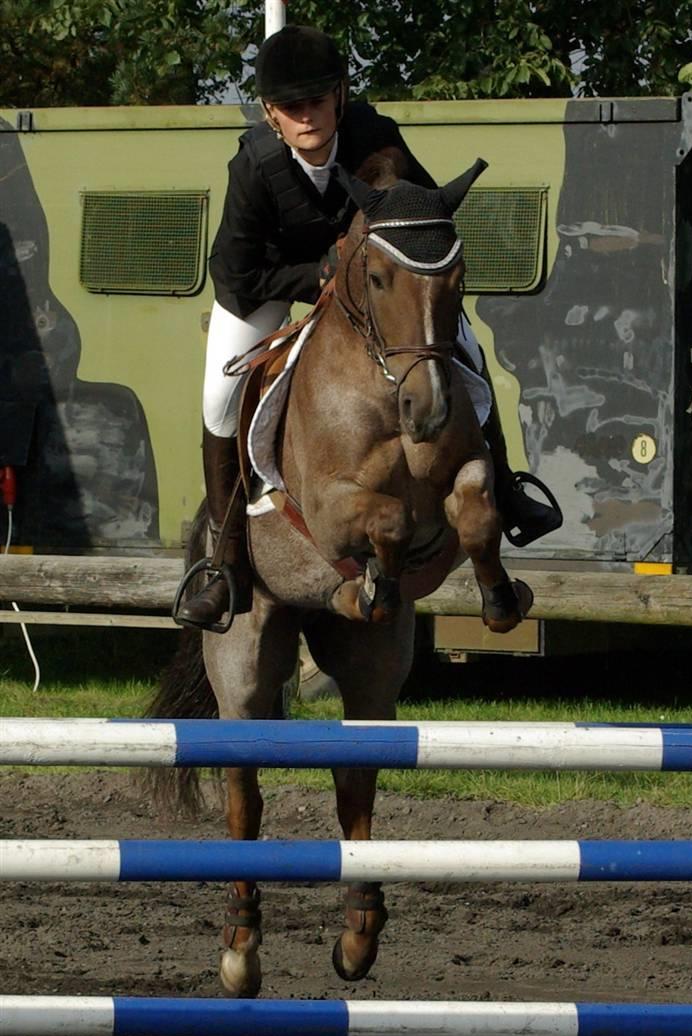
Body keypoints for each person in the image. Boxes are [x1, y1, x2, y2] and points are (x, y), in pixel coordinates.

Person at [176, 24, 560, 630]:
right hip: (264, 286)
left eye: (317, 102)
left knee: (466, 349)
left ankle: (506, 494)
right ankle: (224, 567)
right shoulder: (254, 166)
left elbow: (429, 216)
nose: (308, 117)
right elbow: (245, 273)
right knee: (220, 398)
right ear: (272, 114)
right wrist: (318, 277)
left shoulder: (374, 136)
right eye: (292, 108)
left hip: (374, 289)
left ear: (340, 97)